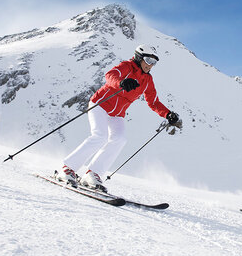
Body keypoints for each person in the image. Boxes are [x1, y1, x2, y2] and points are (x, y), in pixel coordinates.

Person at [56, 44, 180, 192]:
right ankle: (67, 169)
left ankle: (92, 174)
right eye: (148, 60)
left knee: (120, 139)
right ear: (139, 57)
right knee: (99, 136)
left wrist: (167, 114)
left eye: (154, 62)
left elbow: (153, 102)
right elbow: (110, 75)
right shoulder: (126, 66)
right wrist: (121, 82)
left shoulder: (147, 80)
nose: (150, 65)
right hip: (100, 105)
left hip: (117, 114)